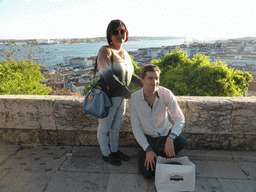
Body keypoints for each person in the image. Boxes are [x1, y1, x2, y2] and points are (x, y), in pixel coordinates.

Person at [129, 64, 188, 179]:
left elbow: (179, 118)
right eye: (150, 78)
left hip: (165, 132)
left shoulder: (166, 93)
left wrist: (170, 138)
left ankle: (162, 154)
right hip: (149, 137)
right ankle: (155, 155)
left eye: (157, 78)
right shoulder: (134, 99)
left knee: (182, 141)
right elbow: (136, 128)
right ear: (142, 80)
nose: (154, 82)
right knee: (148, 174)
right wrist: (148, 149)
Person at [96, 19, 142, 166]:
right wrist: (127, 93)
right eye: (115, 32)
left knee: (116, 127)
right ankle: (105, 153)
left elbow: (130, 76)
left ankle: (114, 150)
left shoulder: (125, 53)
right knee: (104, 128)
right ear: (109, 35)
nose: (119, 35)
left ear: (126, 33)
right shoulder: (105, 51)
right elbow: (109, 76)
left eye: (122, 31)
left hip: (121, 98)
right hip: (109, 97)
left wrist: (145, 85)